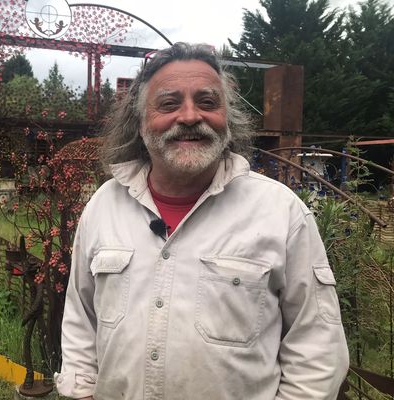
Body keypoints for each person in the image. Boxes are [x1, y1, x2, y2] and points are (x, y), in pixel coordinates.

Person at [55, 42, 349, 400]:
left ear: (228, 117)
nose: (191, 116)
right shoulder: (104, 206)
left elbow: (317, 349)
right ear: (140, 121)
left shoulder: (280, 212)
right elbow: (80, 322)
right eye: (169, 103)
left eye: (208, 102)